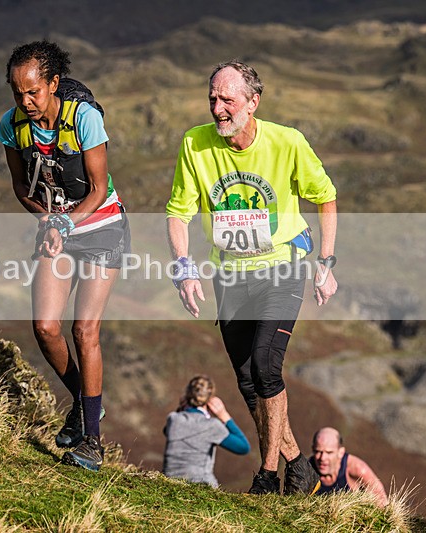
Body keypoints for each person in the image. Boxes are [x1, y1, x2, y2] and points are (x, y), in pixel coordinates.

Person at [165, 59, 338, 495]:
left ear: (252, 102)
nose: (218, 108)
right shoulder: (195, 144)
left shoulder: (287, 142)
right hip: (230, 274)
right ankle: (298, 464)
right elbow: (178, 212)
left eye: (228, 99)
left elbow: (326, 197)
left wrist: (327, 263)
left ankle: (266, 475)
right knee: (248, 382)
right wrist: (184, 268)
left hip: (283, 265)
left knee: (266, 366)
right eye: (212, 99)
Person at [0, 41, 130, 471]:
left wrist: (66, 224)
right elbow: (21, 188)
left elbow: (96, 188)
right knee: (45, 327)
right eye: (18, 92)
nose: (26, 101)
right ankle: (85, 402)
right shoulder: (12, 126)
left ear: (53, 83)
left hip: (101, 226)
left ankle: (92, 441)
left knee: (84, 330)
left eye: (33, 91)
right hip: (55, 229)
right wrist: (47, 221)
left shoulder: (84, 119)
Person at [163, 375, 250, 487]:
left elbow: (167, 431)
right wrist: (224, 416)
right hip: (202, 484)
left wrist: (181, 407)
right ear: (210, 400)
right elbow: (243, 447)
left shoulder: (174, 419)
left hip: (170, 482)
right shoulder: (212, 426)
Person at [311, 427, 389, 506]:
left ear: (340, 452)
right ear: (313, 450)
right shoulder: (306, 471)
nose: (322, 458)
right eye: (318, 452)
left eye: (329, 452)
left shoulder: (358, 469)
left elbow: (382, 501)